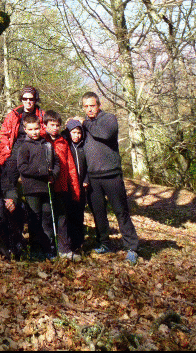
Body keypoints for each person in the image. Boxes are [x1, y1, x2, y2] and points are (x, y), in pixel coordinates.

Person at [81, 92, 140, 264]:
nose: (89, 109)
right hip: (93, 177)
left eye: (92, 105)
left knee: (121, 212)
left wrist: (84, 123)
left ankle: (132, 248)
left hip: (111, 175)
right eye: (86, 106)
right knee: (98, 213)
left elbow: (104, 134)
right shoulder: (84, 125)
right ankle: (105, 243)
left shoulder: (109, 119)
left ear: (99, 105)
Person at [0, 86, 46, 254]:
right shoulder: (14, 114)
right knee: (9, 190)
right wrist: (6, 151)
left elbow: (45, 132)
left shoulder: (41, 115)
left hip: (34, 152)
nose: (28, 102)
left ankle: (37, 240)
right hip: (14, 152)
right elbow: (3, 134)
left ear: (35, 100)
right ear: (21, 100)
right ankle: (12, 237)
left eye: (31, 99)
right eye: (25, 99)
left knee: (34, 195)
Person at [17, 114, 60, 260]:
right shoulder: (24, 146)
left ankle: (48, 247)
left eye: (36, 129)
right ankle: (35, 250)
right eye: (30, 129)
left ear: (40, 127)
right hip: (31, 189)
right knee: (34, 219)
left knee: (47, 218)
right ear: (25, 130)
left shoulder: (47, 144)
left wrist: (53, 175)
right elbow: (22, 167)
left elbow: (56, 163)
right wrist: (41, 171)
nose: (34, 132)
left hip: (46, 188)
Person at [44, 110, 81, 261]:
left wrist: (75, 189)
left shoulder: (63, 142)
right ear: (45, 125)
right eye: (51, 125)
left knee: (62, 218)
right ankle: (49, 249)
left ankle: (65, 249)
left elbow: (71, 167)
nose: (55, 128)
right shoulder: (41, 140)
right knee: (47, 218)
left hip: (62, 185)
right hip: (45, 186)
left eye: (57, 125)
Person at [64, 118, 88, 253]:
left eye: (79, 133)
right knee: (69, 214)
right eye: (73, 132)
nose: (76, 136)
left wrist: (86, 179)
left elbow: (89, 166)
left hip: (82, 185)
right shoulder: (66, 146)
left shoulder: (83, 147)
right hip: (69, 186)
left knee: (79, 213)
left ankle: (79, 241)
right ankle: (70, 242)